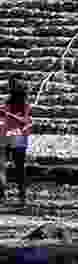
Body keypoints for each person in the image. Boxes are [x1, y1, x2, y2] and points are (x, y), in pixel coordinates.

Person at [0, 77, 33, 205]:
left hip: (11, 136)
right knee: (14, 167)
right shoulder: (8, 106)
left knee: (13, 167)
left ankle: (19, 194)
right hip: (11, 136)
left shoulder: (23, 107)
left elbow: (25, 122)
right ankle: (19, 194)